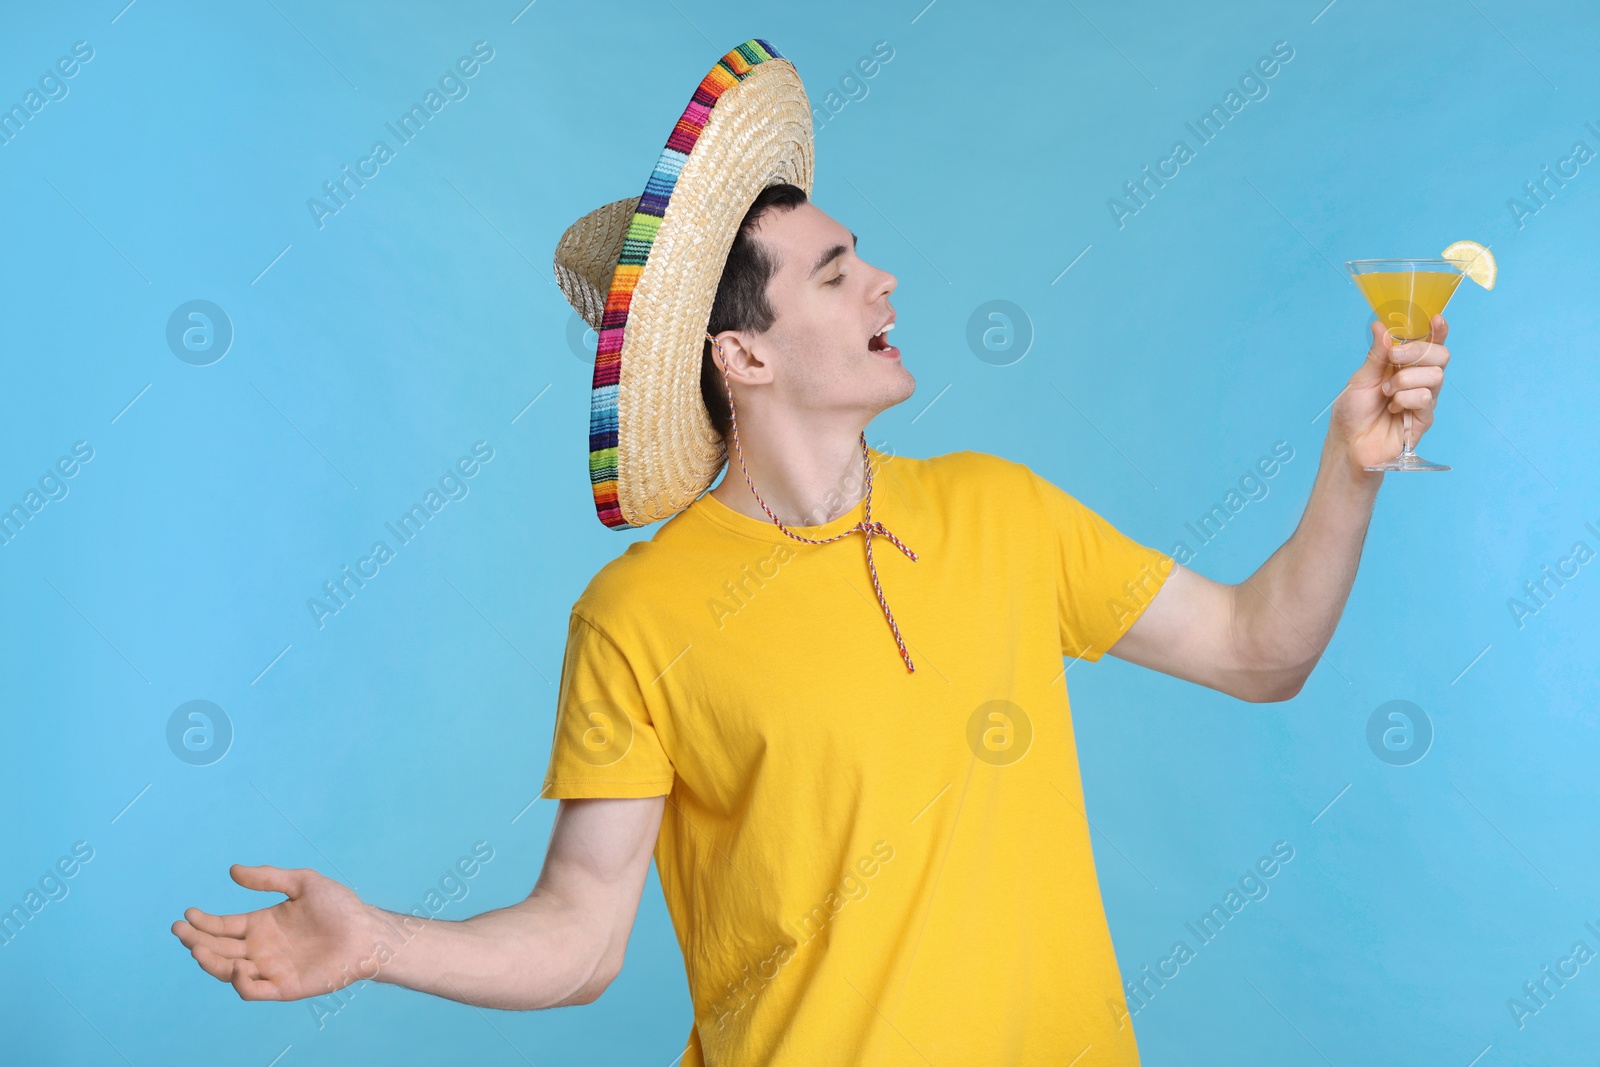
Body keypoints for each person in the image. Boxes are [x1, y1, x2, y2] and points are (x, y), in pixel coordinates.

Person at [171, 40, 1450, 1065]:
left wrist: (1350, 466)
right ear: (746, 354)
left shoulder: (1001, 510)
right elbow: (579, 936)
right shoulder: (637, 615)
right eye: (837, 273)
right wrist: (380, 940)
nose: (884, 280)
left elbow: (1256, 651)